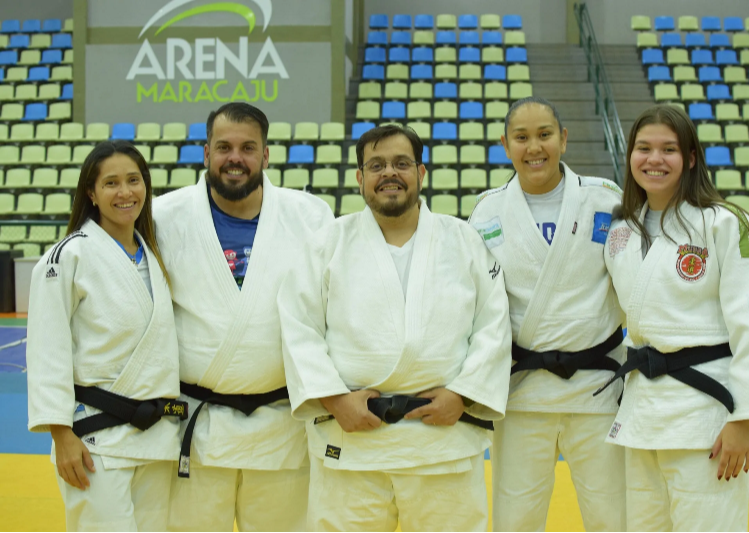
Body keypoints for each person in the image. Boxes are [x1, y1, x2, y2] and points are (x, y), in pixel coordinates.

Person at [278, 124, 512, 532]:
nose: (389, 173)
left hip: (443, 440)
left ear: (421, 173)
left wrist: (462, 395)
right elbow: (299, 327)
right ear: (360, 178)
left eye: (402, 163)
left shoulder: (464, 240)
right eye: (377, 165)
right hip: (351, 437)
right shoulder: (327, 243)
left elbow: (493, 324)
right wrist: (335, 400)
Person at [599, 104, 749, 531]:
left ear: (691, 158)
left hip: (709, 415)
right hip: (643, 413)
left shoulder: (725, 224)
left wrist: (744, 418)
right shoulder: (623, 231)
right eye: (644, 148)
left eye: (669, 149)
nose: (654, 159)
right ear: (629, 156)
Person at [153, 103, 333, 532]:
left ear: (266, 155)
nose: (235, 157)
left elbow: (333, 313)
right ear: (206, 153)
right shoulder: (163, 216)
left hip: (281, 427)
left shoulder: (310, 217)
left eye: (248, 147)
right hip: (195, 427)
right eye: (224, 147)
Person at [468, 96, 627, 532]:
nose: (534, 147)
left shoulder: (606, 200)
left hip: (599, 387)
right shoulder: (486, 211)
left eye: (544, 135)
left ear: (563, 139)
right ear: (505, 144)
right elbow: (477, 303)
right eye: (521, 137)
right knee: (515, 518)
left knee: (614, 516)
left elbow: (634, 283)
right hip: (523, 390)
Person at [27, 141, 183, 531]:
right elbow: (48, 350)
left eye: (134, 180)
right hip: (94, 437)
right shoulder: (67, 257)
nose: (125, 192)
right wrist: (61, 435)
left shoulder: (155, 254)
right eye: (111, 183)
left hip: (155, 436)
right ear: (91, 194)